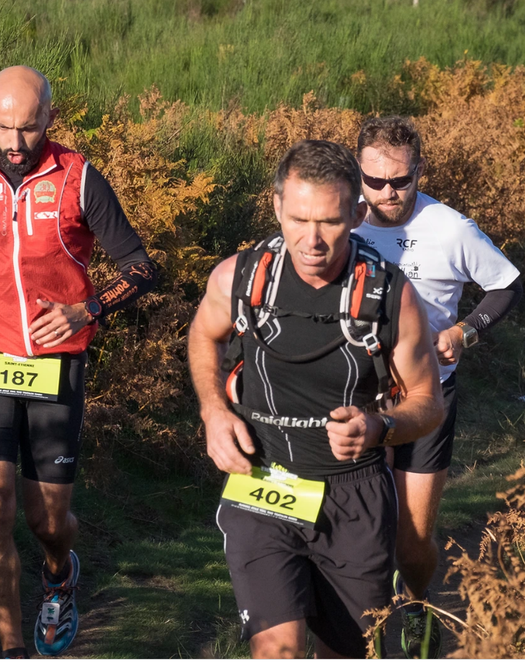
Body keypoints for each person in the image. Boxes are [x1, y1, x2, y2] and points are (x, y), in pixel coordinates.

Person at [0, 66, 158, 659]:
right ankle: (12, 647)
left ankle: (59, 572)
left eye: (27, 127)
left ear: (50, 116)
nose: (15, 142)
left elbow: (142, 268)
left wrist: (86, 310)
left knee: (47, 521)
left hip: (55, 362)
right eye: (3, 127)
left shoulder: (79, 178)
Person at [189, 140, 445, 659]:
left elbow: (428, 403)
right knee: (278, 649)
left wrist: (378, 429)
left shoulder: (390, 297)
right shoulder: (240, 278)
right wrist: (213, 411)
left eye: (328, 222)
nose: (312, 240)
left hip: (354, 499)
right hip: (263, 484)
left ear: (356, 215)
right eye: (298, 219)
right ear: (276, 207)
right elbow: (203, 336)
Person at [351, 117, 523, 658]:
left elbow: (506, 284)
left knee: (412, 540)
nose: (387, 192)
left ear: (419, 171)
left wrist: (463, 331)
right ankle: (363, 633)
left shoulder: (451, 228)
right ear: (358, 173)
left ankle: (417, 604)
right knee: (360, 534)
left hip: (427, 398)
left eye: (399, 181)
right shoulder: (337, 223)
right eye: (374, 181)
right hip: (356, 398)